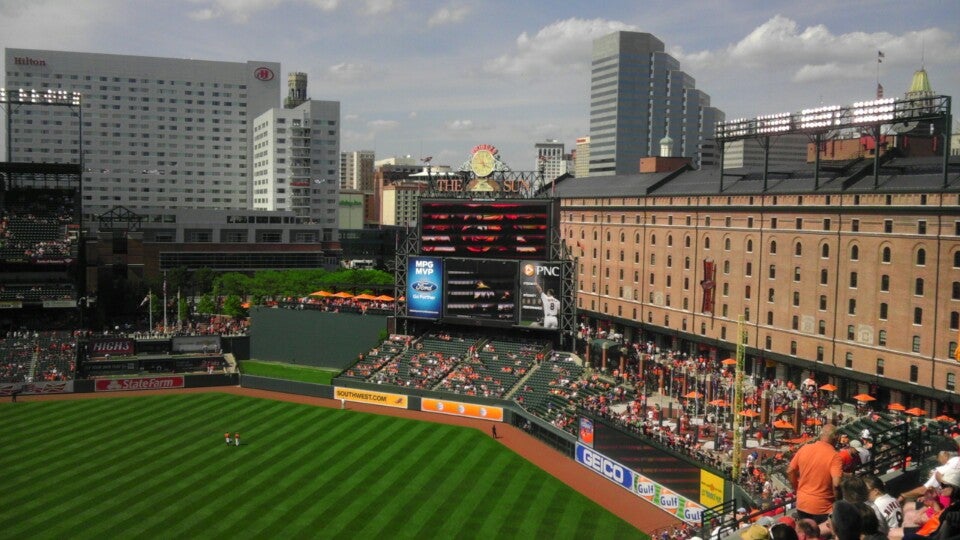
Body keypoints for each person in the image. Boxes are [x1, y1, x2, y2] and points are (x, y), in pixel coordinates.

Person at [787, 423, 843, 524]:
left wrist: (797, 489)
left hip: (802, 503)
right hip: (823, 507)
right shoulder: (835, 456)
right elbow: (837, 484)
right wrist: (839, 503)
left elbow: (790, 470)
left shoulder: (805, 448)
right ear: (836, 438)